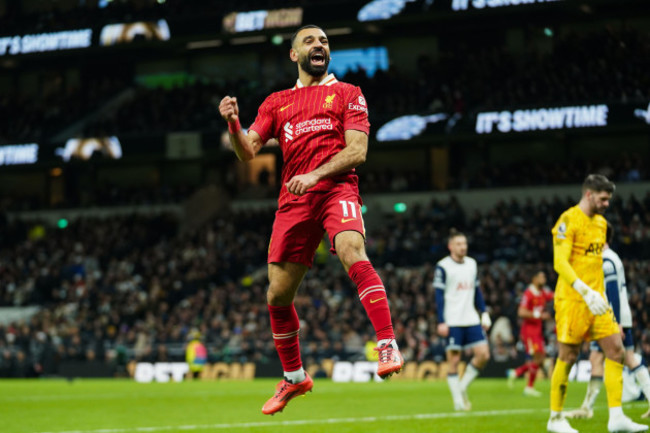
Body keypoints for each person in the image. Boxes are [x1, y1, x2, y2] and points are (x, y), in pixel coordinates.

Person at [218, 24, 403, 416]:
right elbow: (247, 151)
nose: (319, 45)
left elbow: (358, 151)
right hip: (294, 200)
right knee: (277, 295)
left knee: (352, 249)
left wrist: (317, 174)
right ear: (293, 54)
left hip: (336, 190)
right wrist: (234, 124)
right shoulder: (276, 102)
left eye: (324, 41)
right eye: (310, 41)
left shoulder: (349, 93)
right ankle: (294, 376)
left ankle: (386, 342)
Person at [547, 174, 647, 433]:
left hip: (598, 301)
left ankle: (617, 418)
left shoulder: (601, 224)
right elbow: (560, 262)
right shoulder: (567, 220)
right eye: (603, 199)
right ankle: (555, 419)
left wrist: (596, 295)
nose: (606, 204)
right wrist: (584, 290)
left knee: (616, 349)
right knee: (568, 356)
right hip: (572, 300)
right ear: (589, 194)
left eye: (609, 200)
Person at [565, 224, 650, 419]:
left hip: (612, 319)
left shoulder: (606, 259)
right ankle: (587, 407)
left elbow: (612, 292)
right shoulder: (609, 257)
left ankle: (588, 408)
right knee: (597, 359)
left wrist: (616, 322)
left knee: (628, 358)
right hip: (608, 317)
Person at [434, 231, 492, 411]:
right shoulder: (443, 266)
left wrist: (484, 312)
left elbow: (477, 290)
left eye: (464, 243)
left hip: (471, 318)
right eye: (459, 244)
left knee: (483, 354)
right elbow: (439, 296)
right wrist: (441, 321)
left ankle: (461, 387)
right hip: (452, 320)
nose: (463, 247)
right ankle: (458, 401)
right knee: (453, 361)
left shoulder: (472, 264)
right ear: (451, 246)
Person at [507, 271, 554, 397]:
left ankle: (517, 373)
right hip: (529, 331)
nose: (544, 278)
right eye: (541, 277)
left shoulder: (543, 292)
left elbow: (553, 296)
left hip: (537, 331)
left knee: (539, 358)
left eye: (545, 276)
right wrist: (538, 315)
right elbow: (521, 312)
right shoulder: (529, 293)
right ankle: (528, 386)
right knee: (539, 357)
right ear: (534, 279)